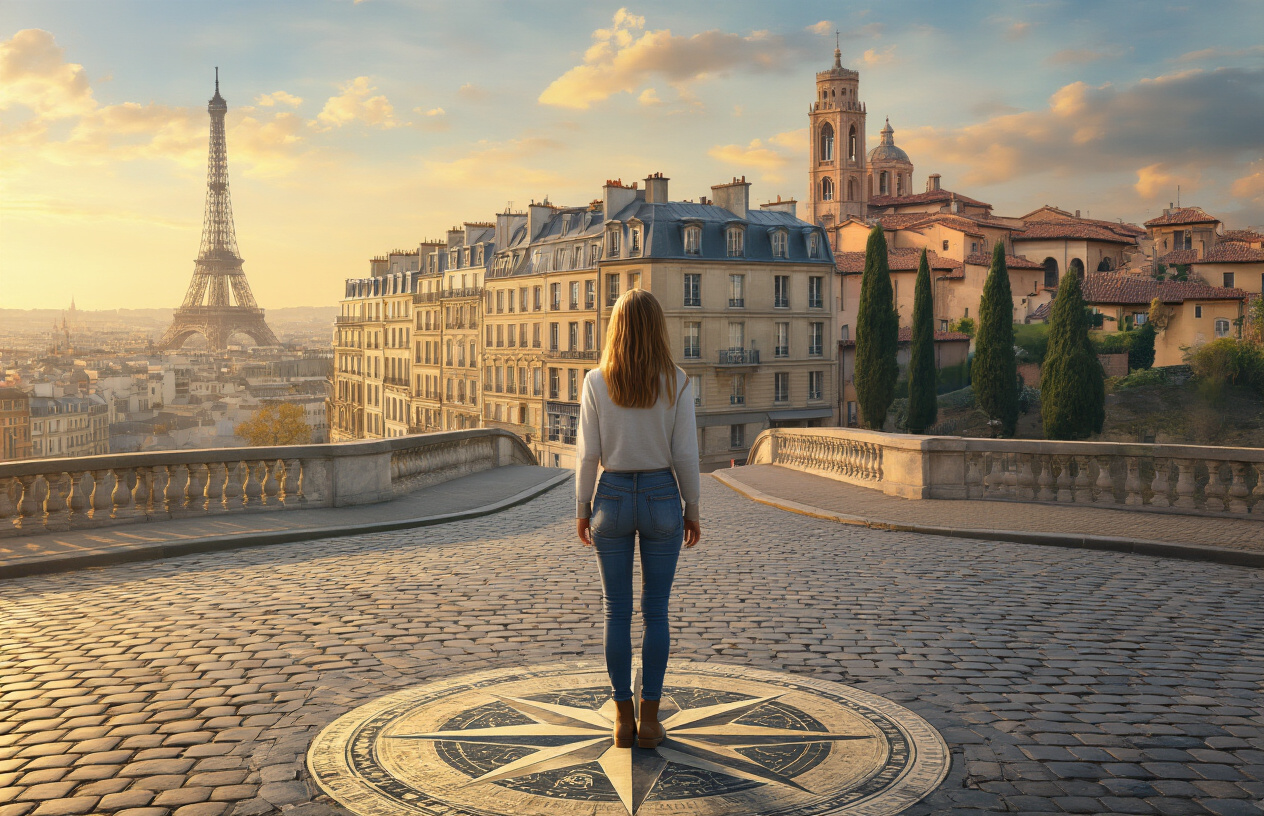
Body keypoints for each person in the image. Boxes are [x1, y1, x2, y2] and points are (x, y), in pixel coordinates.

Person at [576, 288, 701, 749]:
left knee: (616, 612)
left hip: (610, 494)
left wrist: (582, 508)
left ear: (616, 328)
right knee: (656, 612)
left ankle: (621, 720)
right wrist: (693, 508)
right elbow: (687, 453)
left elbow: (588, 454)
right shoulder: (678, 381)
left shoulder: (595, 381)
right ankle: (650, 719)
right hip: (661, 495)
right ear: (657, 328)